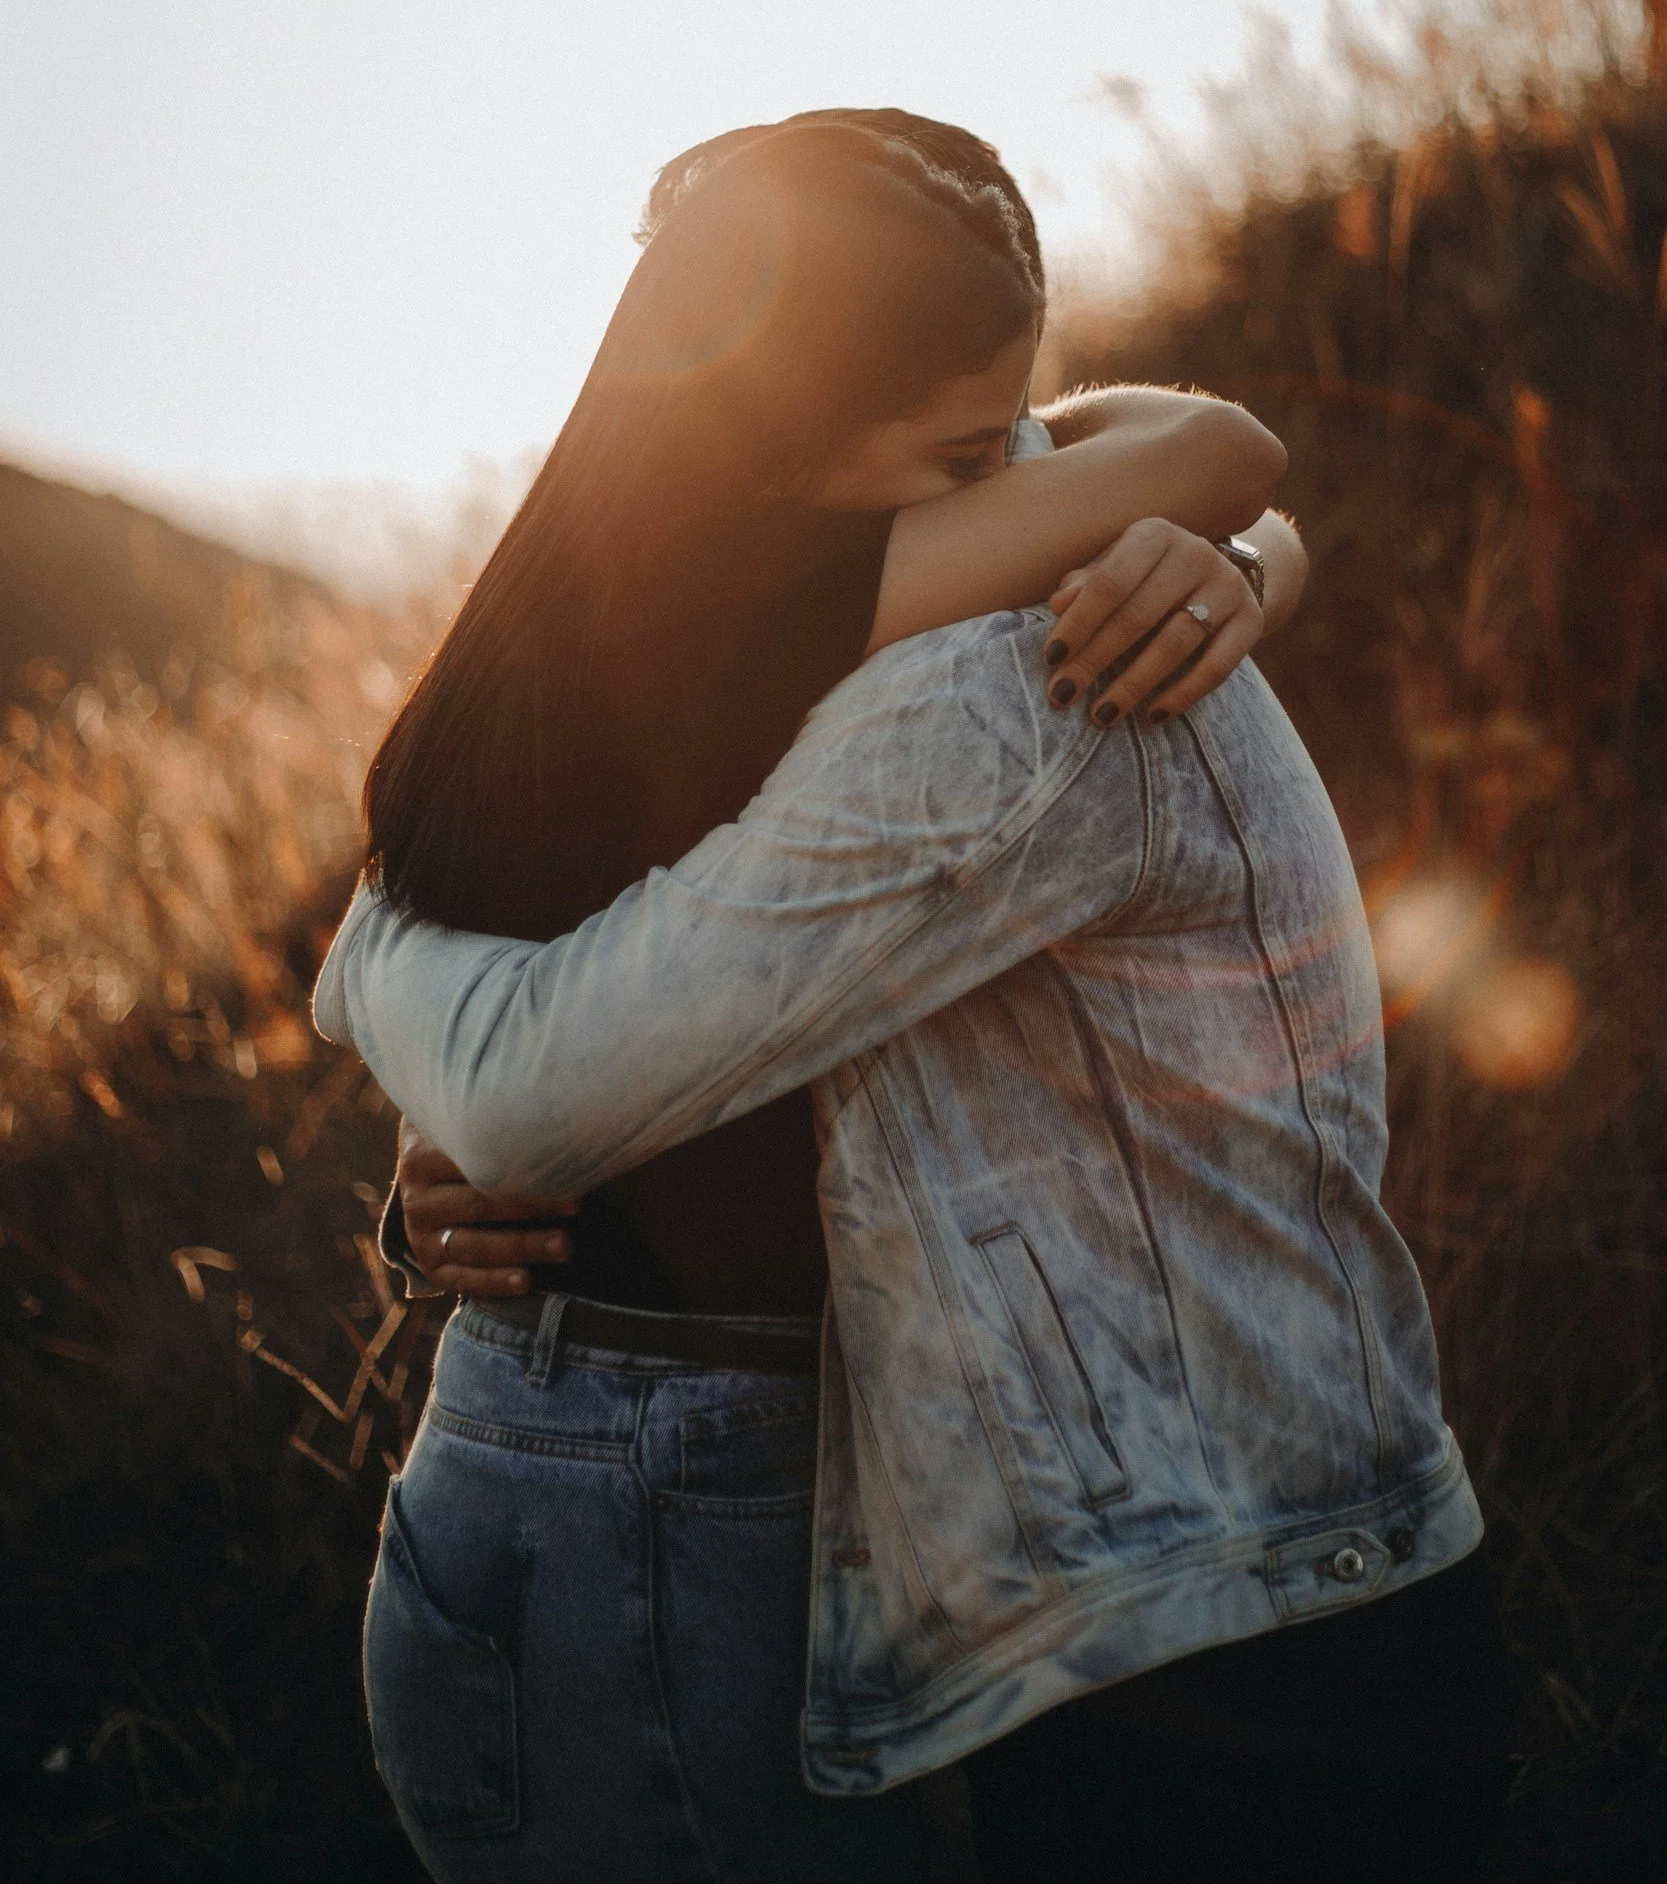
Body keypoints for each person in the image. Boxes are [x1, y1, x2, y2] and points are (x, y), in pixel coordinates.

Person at [317, 113, 1509, 1882]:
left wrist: (1242, 545)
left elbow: (1184, 453)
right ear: (770, 459)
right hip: (671, 1498)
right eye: (973, 453)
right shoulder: (787, 657)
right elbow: (535, 1079)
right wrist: (418, 1051)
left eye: (1019, 432)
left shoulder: (977, 656)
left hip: (1152, 1602)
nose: (1027, 481)